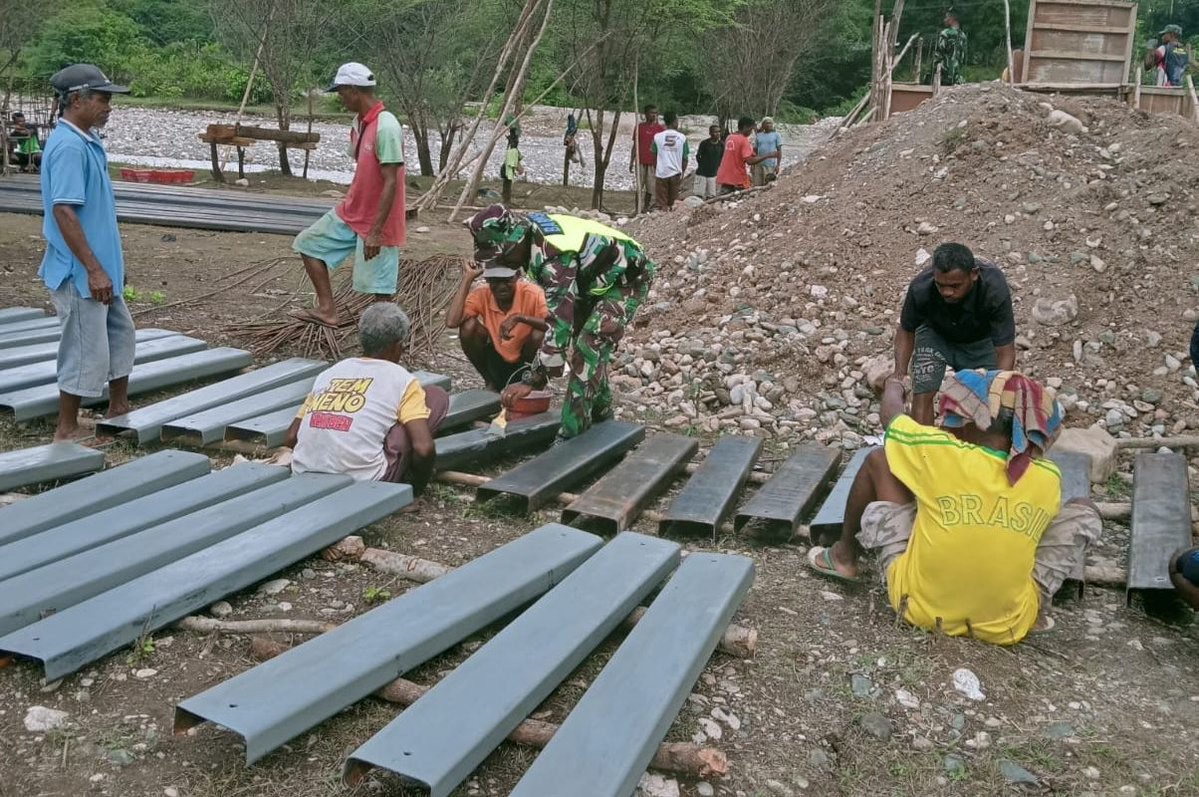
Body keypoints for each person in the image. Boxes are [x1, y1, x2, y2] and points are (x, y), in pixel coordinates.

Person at [806, 369, 1100, 645]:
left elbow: (891, 418)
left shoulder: (942, 452)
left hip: (918, 608)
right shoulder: (1047, 477)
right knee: (1081, 508)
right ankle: (1031, 609)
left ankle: (843, 557)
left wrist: (894, 385)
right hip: (1007, 626)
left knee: (880, 460)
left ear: (973, 420)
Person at [465, 205, 657, 439]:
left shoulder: (554, 258)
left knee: (589, 344)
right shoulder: (529, 234)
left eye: (502, 256)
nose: (503, 264)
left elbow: (558, 324)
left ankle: (572, 435)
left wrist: (533, 381)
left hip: (628, 278)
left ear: (515, 242)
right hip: (593, 279)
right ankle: (602, 412)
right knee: (585, 345)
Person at [39, 64, 136, 442]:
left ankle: (119, 406)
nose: (108, 106)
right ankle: (66, 427)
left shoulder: (88, 141)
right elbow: (64, 211)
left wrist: (111, 266)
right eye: (102, 98)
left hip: (100, 266)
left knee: (120, 335)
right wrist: (94, 269)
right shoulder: (67, 147)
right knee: (83, 345)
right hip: (79, 271)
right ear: (77, 99)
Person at [286, 303, 447, 494]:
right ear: (398, 346)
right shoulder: (401, 379)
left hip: (305, 469)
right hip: (366, 480)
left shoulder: (330, 373)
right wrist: (414, 492)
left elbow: (291, 437)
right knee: (435, 397)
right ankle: (400, 489)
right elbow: (424, 449)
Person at [292, 62, 406, 326]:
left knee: (381, 289)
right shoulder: (359, 124)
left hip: (379, 220)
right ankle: (327, 309)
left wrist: (376, 231)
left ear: (354, 90)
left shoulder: (387, 127)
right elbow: (363, 168)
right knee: (308, 244)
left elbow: (392, 182)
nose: (341, 99)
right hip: (352, 211)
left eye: (342, 93)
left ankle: (385, 338)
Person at [894, 242, 1016, 426]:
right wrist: (900, 374)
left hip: (981, 342)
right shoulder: (921, 287)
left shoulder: (993, 288)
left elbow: (1006, 351)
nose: (947, 292)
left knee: (989, 402)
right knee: (923, 392)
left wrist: (997, 389)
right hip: (936, 335)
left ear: (974, 274)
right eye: (940, 285)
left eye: (955, 286)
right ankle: (923, 449)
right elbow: (906, 329)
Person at [445, 258, 548, 391]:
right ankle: (490, 381)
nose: (501, 286)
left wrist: (519, 318)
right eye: (495, 280)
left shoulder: (533, 293)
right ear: (488, 280)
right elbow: (452, 322)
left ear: (517, 276)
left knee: (538, 334)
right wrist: (467, 279)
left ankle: (530, 383)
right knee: (468, 327)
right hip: (496, 358)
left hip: (526, 358)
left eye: (507, 280)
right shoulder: (482, 294)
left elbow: (554, 324)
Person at [716, 116, 775, 194]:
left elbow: (736, 153)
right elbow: (749, 161)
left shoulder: (729, 137)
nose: (751, 132)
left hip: (725, 176)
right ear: (745, 127)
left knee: (724, 200)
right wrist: (767, 155)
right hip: (737, 177)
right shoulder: (743, 140)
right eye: (751, 129)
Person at [651, 111, 689, 212]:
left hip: (661, 173)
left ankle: (661, 220)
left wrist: (657, 169)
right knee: (673, 202)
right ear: (674, 122)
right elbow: (685, 158)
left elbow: (654, 155)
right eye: (677, 120)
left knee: (661, 202)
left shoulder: (657, 137)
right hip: (675, 173)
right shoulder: (682, 138)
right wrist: (682, 171)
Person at [629, 104, 664, 211]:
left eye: (655, 113)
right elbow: (635, 145)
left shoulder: (660, 129)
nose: (654, 115)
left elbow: (662, 148)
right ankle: (637, 208)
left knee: (650, 187)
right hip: (640, 161)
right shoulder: (639, 127)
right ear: (646, 114)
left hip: (653, 162)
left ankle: (646, 207)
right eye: (651, 113)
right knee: (639, 187)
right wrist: (631, 160)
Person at [933, 11, 968, 86]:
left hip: (944, 75)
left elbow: (939, 53)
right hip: (957, 76)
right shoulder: (963, 36)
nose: (944, 20)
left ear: (952, 19)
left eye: (946, 17)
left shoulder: (945, 33)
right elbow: (963, 56)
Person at [693, 124, 723, 199]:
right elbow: (698, 156)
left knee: (711, 196)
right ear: (710, 133)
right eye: (715, 132)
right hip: (701, 173)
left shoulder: (721, 145)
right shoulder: (704, 144)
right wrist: (702, 165)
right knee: (698, 195)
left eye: (719, 131)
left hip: (713, 174)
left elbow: (722, 158)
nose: (718, 134)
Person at [751, 117, 782, 186]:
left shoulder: (776, 135)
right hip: (758, 164)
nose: (768, 125)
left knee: (768, 184)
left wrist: (778, 165)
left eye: (770, 123)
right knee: (757, 184)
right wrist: (753, 165)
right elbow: (755, 151)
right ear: (763, 125)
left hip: (770, 165)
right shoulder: (758, 136)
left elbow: (779, 151)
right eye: (766, 123)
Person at [500, 128, 524, 206]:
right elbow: (514, 163)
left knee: (507, 185)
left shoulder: (513, 150)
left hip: (506, 169)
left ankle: (507, 200)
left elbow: (517, 158)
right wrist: (520, 169)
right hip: (506, 170)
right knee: (507, 185)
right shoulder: (513, 150)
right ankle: (506, 201)